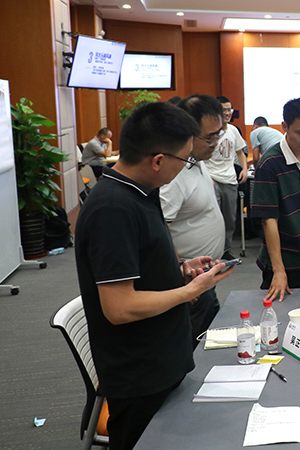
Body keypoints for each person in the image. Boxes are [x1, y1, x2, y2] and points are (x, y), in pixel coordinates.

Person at [75, 102, 234, 450]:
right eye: (185, 160)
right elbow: (119, 307)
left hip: (162, 359)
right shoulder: (112, 208)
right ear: (159, 160)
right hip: (140, 375)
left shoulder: (140, 192)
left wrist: (179, 272)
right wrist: (190, 290)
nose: (186, 167)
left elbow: (137, 268)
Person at [160, 94, 225, 347]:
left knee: (208, 338)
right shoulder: (174, 175)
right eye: (209, 138)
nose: (215, 143)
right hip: (189, 281)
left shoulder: (196, 162)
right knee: (193, 347)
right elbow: (161, 229)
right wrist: (180, 278)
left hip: (204, 275)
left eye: (219, 134)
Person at [251, 98, 300, 301]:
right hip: (284, 259)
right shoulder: (269, 164)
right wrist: (279, 270)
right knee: (280, 313)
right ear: (284, 126)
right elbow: (269, 220)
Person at [205, 96, 249, 259]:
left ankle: (225, 250)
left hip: (230, 180)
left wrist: (244, 169)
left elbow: (240, 152)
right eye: (223, 110)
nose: (227, 113)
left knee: (230, 219)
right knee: (214, 218)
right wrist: (206, 177)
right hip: (212, 179)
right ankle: (213, 252)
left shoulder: (233, 130)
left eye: (229, 109)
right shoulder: (209, 131)